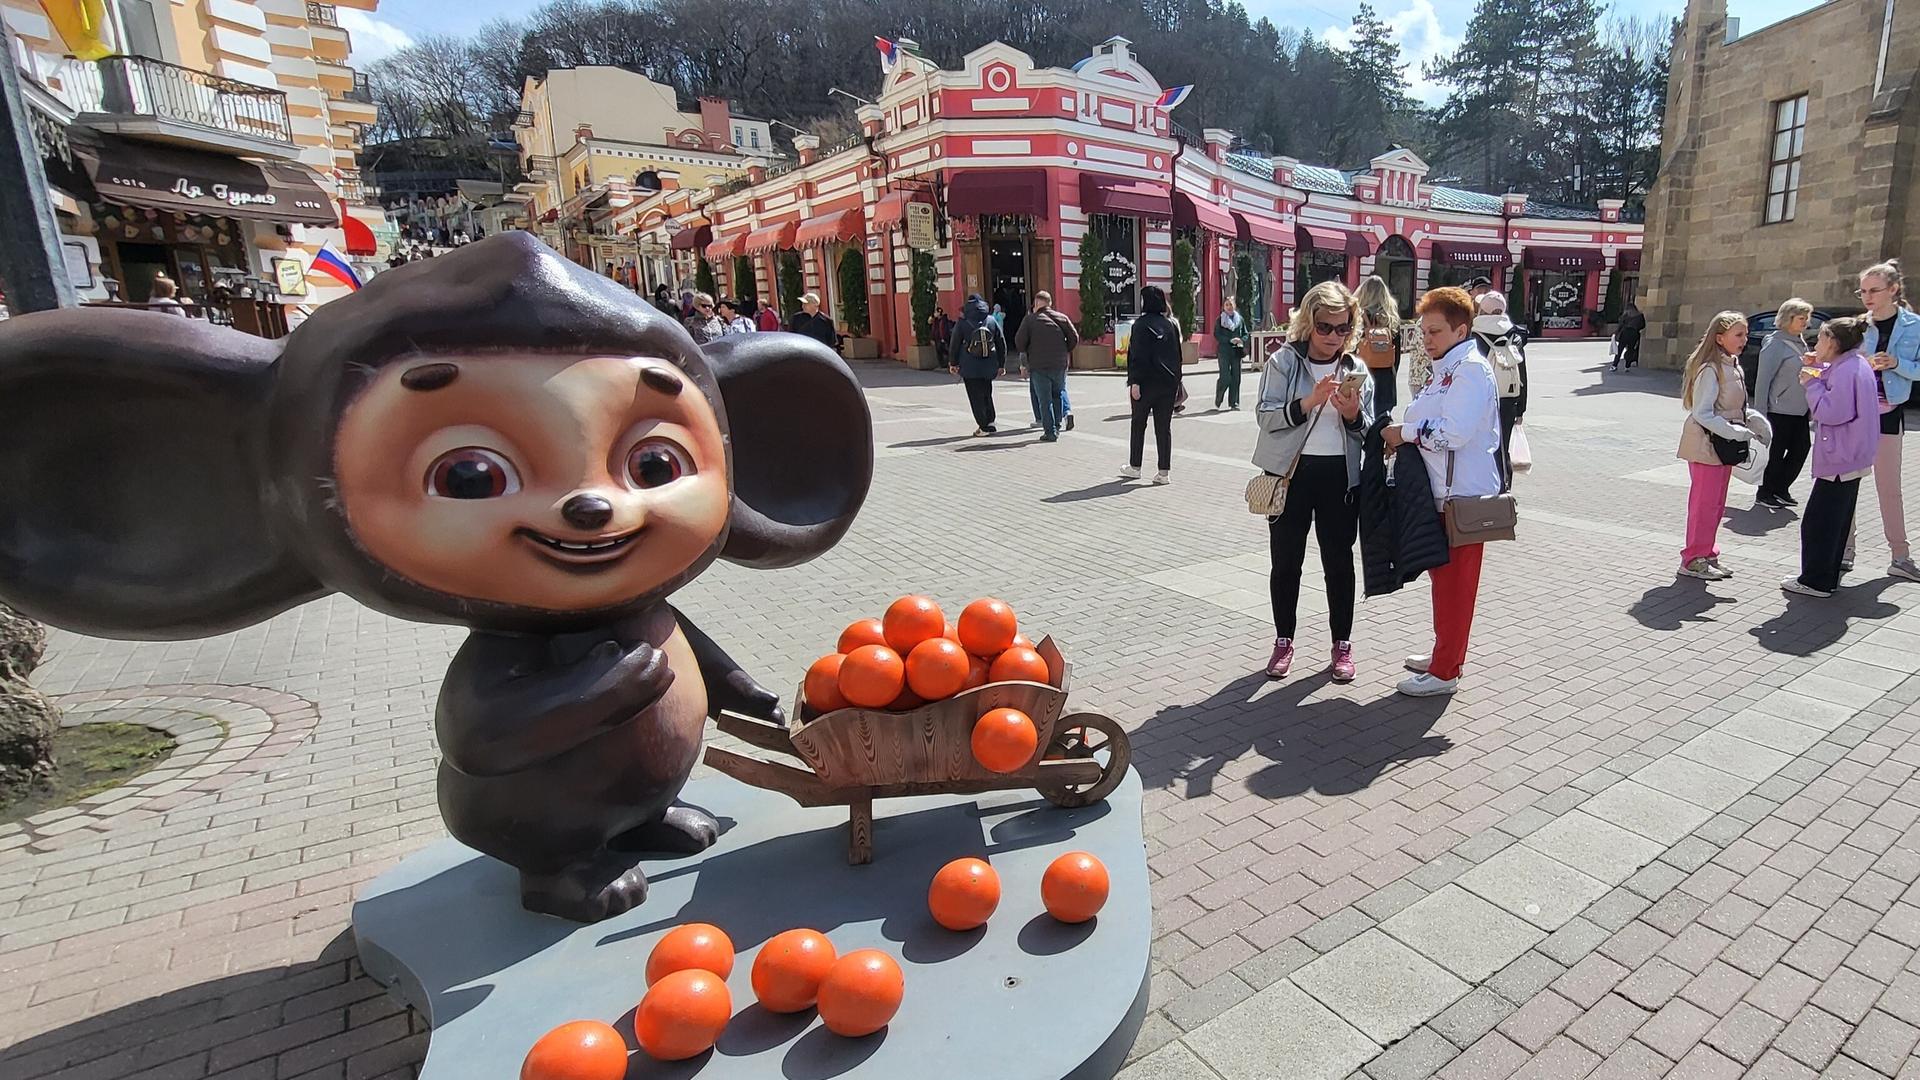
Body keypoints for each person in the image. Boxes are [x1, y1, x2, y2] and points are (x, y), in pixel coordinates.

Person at [1383, 287, 1502, 697]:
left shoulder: (1469, 369)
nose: (1426, 339)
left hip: (1461, 498)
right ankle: (1443, 655)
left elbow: (1454, 432)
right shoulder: (1449, 368)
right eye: (1422, 331)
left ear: (1461, 329)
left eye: (1434, 331)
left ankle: (1446, 670)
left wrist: (1405, 433)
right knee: (1444, 581)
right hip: (1442, 494)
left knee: (1455, 587)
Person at [1253, 281, 1374, 683]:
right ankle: (1283, 639)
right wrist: (1309, 402)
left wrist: (1355, 415)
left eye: (1343, 328)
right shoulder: (1284, 362)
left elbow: (1368, 430)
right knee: (1286, 564)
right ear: (1308, 322)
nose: (1333, 337)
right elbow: (1266, 416)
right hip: (1291, 475)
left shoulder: (1355, 368)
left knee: (1339, 565)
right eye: (1325, 327)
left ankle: (1342, 644)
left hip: (1340, 477)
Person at [1786, 317, 1879, 597]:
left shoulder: (1847, 369)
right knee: (1836, 519)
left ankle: (1815, 580)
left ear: (1834, 343)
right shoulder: (1854, 363)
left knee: (1819, 522)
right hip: (1853, 455)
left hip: (1840, 454)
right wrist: (1816, 367)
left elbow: (1832, 411)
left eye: (1822, 338)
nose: (1816, 342)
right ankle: (1826, 574)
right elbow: (1836, 381)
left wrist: (1810, 384)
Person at [1847, 260, 1920, 582]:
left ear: (1893, 290)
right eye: (1862, 291)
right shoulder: (1857, 326)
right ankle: (1844, 550)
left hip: (1890, 413)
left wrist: (1897, 363)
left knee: (1890, 488)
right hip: (1855, 414)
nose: (1867, 297)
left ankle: (1900, 556)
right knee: (1846, 483)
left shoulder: (1915, 326)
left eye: (1874, 290)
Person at [1676, 311, 1763, 580]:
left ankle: (1707, 553)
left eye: (1745, 334)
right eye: (1738, 334)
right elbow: (1703, 412)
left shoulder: (1732, 365)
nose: (1744, 339)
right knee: (1704, 504)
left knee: (1716, 504)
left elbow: (1733, 406)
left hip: (1722, 444)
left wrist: (1754, 421)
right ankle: (1693, 558)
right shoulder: (1710, 369)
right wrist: (1734, 431)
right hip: (1706, 444)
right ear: (1720, 337)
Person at [1754, 298, 1815, 508]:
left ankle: (1780, 488)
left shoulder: (1801, 341)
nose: (1806, 322)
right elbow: (1763, 380)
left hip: (1799, 409)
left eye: (1807, 318)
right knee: (1775, 453)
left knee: (1801, 448)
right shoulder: (1775, 343)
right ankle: (1765, 492)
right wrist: (1760, 415)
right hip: (1778, 410)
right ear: (1788, 318)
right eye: (1801, 318)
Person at [1122, 285, 1182, 484]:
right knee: (1163, 428)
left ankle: (1135, 466)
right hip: (1168, 384)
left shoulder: (1139, 325)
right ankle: (1163, 472)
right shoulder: (1171, 324)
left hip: (1146, 384)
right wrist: (1177, 382)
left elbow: (1137, 357)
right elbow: (1177, 356)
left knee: (1138, 424)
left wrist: (1134, 382)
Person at [1472, 291, 1528, 491]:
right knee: (1503, 446)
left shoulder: (1475, 332)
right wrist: (1521, 408)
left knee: (1481, 445)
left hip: (1482, 399)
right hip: (1508, 399)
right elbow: (1521, 371)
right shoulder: (1514, 333)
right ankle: (1505, 489)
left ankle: (1484, 488)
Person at [1015, 290, 1077, 442]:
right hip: (1059, 364)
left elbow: (1019, 342)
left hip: (1039, 366)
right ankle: (1056, 425)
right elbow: (1074, 338)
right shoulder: (1062, 318)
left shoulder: (1030, 320)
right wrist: (1064, 350)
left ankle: (1050, 432)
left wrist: (1027, 354)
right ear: (1050, 303)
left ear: (1036, 304)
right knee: (1057, 395)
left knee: (1044, 399)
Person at [948, 293, 1006, 436]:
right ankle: (990, 422)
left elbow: (954, 344)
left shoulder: (962, 323)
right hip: (989, 363)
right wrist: (1001, 364)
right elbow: (1001, 343)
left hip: (969, 365)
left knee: (975, 396)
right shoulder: (992, 321)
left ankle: (983, 426)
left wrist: (953, 363)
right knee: (987, 393)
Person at [1354, 276, 1401, 415]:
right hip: (1386, 381)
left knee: (1360, 425)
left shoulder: (1357, 317)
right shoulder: (1391, 320)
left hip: (1361, 376)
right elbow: (1395, 358)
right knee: (1381, 426)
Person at [1214, 297, 1248, 410]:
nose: (1229, 307)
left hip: (1236, 351)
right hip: (1224, 351)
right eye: (1226, 305)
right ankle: (1219, 397)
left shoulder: (1240, 320)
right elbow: (1217, 334)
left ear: (1234, 306)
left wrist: (1241, 339)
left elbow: (1246, 333)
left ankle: (1234, 403)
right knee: (1226, 377)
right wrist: (1229, 340)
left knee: (1236, 378)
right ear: (1223, 307)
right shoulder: (1220, 320)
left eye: (1231, 304)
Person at [1614, 300, 1647, 370]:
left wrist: (1616, 333)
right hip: (1634, 333)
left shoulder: (1625, 315)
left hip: (1625, 333)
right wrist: (1637, 328)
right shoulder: (1640, 315)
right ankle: (1627, 366)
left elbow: (1620, 325)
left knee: (1619, 349)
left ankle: (1615, 365)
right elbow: (1643, 325)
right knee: (1631, 349)